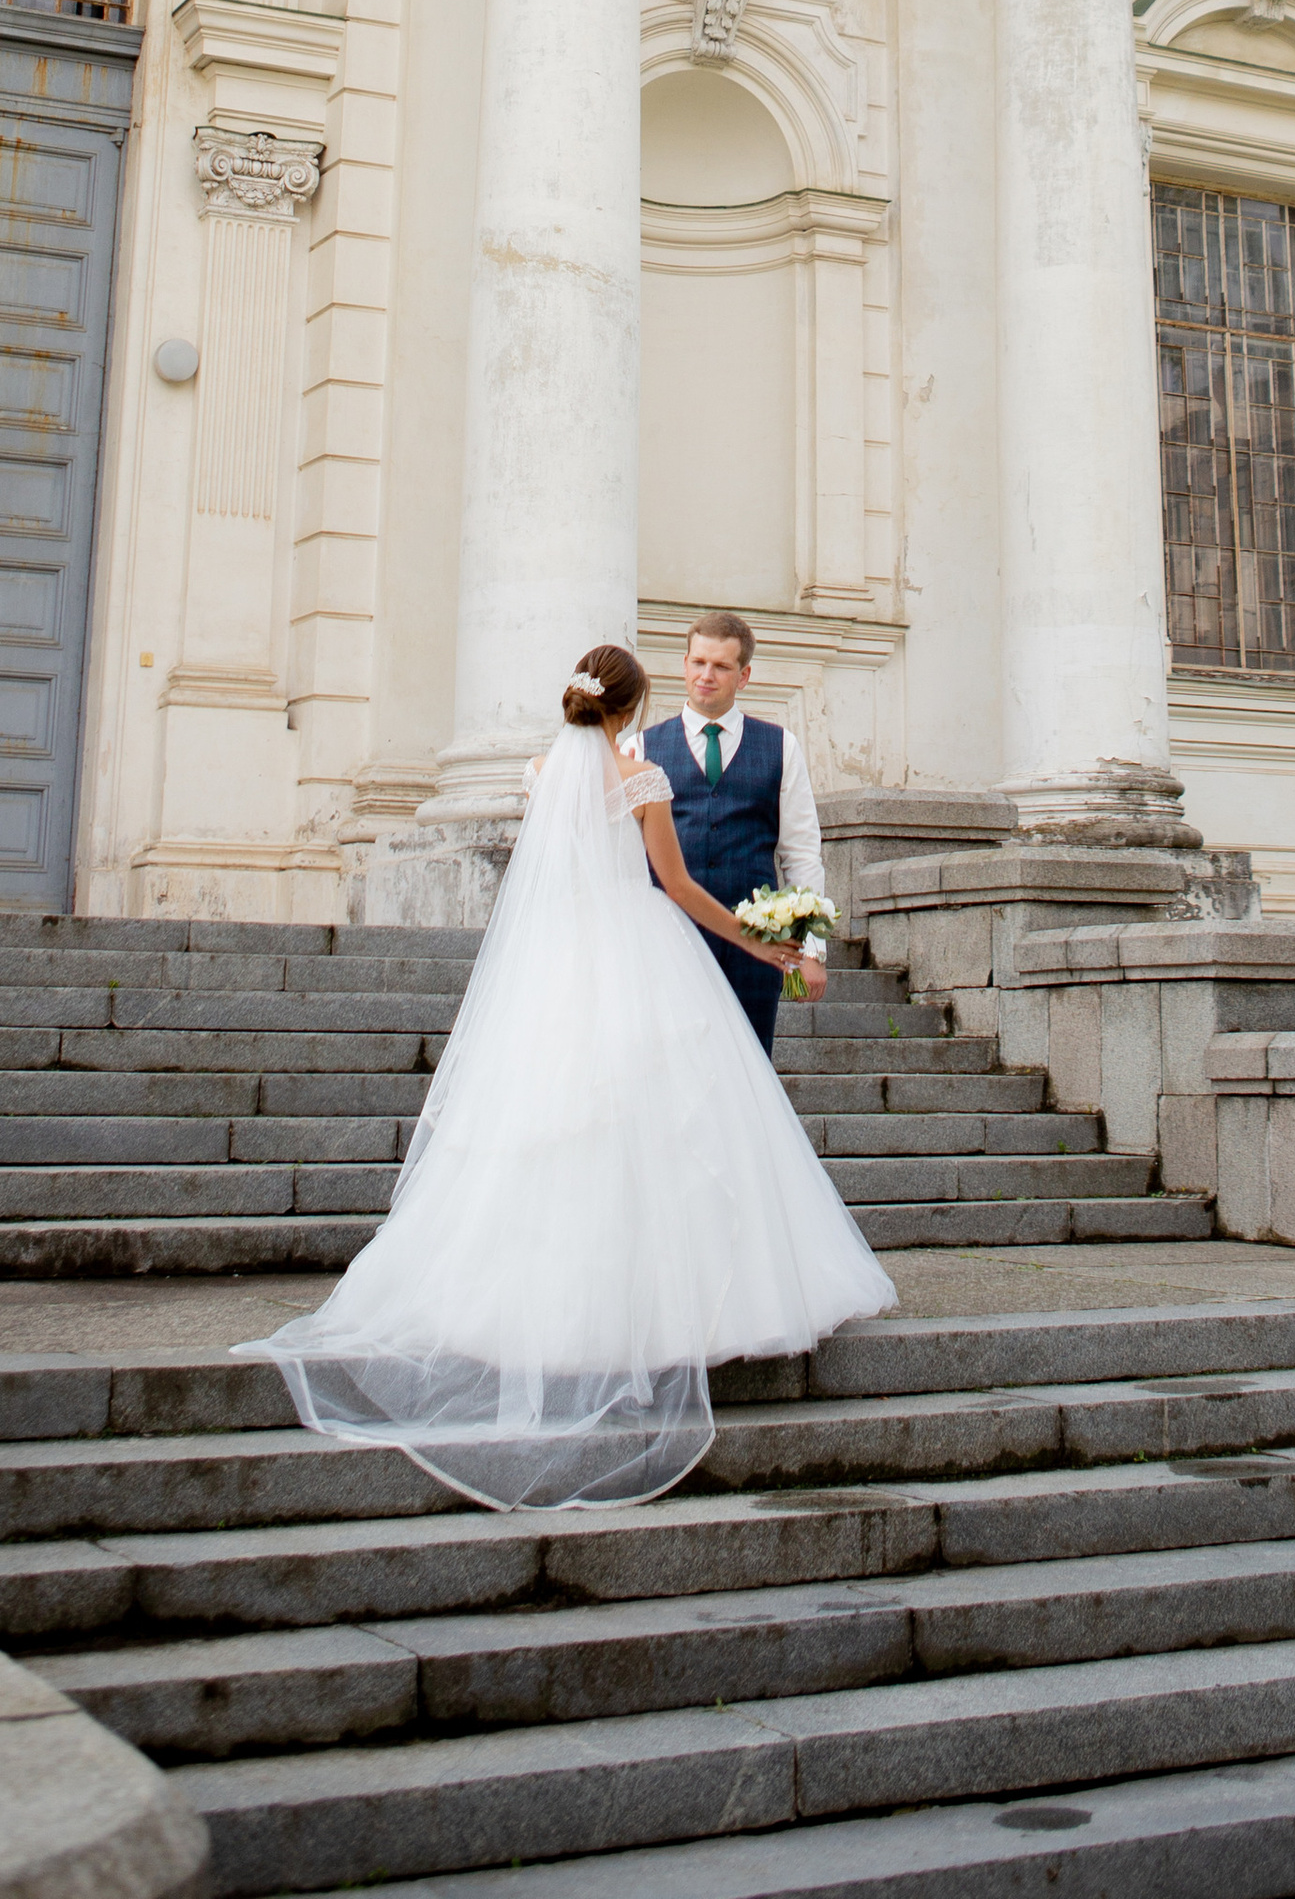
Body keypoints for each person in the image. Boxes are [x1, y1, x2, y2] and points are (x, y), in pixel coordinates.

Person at [241, 644, 895, 1509]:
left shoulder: (538, 773)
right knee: (666, 1127)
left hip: (553, 968)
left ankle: (536, 1312)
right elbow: (679, 888)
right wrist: (760, 943)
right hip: (640, 950)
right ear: (638, 702)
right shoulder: (643, 776)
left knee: (551, 1129)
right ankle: (670, 1313)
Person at [635, 611, 829, 1059]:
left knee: (750, 1074)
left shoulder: (781, 746)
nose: (707, 676)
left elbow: (801, 852)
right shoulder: (642, 747)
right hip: (667, 940)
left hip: (759, 948)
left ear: (744, 676)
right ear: (684, 664)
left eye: (721, 666)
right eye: (699, 662)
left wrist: (811, 951)